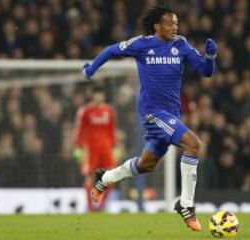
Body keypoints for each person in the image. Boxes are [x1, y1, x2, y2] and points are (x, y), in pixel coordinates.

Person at [82, 6, 217, 231]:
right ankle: (186, 205)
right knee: (193, 145)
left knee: (146, 164)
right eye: (170, 24)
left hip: (171, 114)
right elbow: (111, 50)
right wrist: (91, 69)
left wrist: (210, 57)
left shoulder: (181, 45)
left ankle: (103, 179)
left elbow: (206, 71)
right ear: (157, 26)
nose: (175, 27)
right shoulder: (143, 44)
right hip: (153, 112)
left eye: (176, 23)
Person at [74, 85, 116, 212]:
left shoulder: (109, 111)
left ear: (103, 96)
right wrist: (78, 147)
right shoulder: (85, 111)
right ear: (92, 95)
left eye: (101, 94)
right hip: (90, 150)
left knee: (111, 178)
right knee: (89, 177)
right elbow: (79, 130)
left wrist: (115, 146)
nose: (99, 96)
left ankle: (102, 206)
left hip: (106, 149)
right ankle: (90, 208)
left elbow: (111, 130)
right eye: (96, 94)